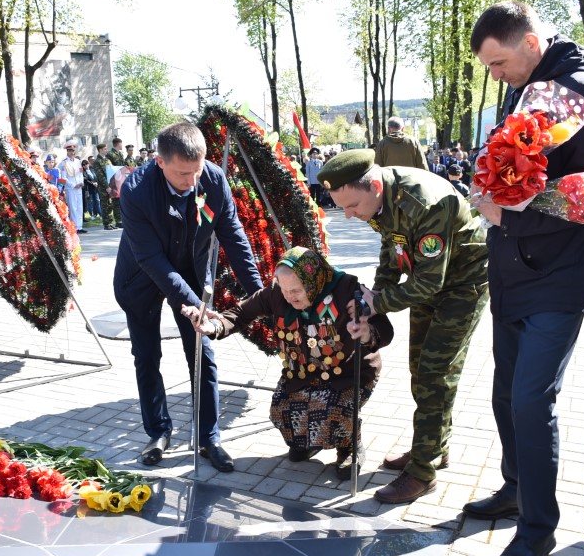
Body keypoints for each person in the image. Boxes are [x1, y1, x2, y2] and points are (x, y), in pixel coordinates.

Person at [465, 1, 584, 556]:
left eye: (500, 62)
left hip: (558, 273)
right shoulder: (526, 86)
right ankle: (515, 489)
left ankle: (537, 529)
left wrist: (508, 214)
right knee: (505, 393)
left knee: (532, 399)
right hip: (513, 268)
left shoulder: (578, 91)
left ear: (531, 43)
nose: (495, 75)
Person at [318, 149, 489, 504]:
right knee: (419, 369)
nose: (348, 215)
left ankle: (423, 472)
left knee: (434, 374)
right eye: (342, 208)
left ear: (374, 186)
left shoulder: (424, 204)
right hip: (426, 282)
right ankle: (433, 446)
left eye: (352, 206)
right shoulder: (379, 202)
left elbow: (430, 282)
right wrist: (372, 299)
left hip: (462, 287)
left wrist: (379, 302)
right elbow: (391, 254)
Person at [113, 122, 263, 473]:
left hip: (192, 275)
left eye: (197, 170)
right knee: (147, 356)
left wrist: (258, 291)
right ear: (160, 162)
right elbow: (151, 259)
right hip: (142, 279)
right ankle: (158, 432)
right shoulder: (136, 191)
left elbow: (233, 235)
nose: (192, 180)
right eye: (183, 173)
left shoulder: (212, 179)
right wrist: (194, 304)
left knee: (202, 355)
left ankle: (209, 437)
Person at [182, 247, 394, 480]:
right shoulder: (276, 293)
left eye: (296, 290)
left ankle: (350, 446)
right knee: (281, 411)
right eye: (284, 290)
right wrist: (213, 326)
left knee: (335, 410)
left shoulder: (347, 290)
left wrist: (367, 333)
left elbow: (385, 329)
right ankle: (308, 442)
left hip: (348, 374)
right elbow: (241, 314)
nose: (289, 297)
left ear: (312, 282)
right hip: (304, 372)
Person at [58, 144, 86, 233]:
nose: (72, 152)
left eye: (73, 151)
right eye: (70, 151)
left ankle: (80, 226)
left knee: (79, 207)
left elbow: (80, 173)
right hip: (71, 188)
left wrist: (81, 182)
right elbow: (63, 178)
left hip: (79, 187)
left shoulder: (78, 161)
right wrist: (73, 185)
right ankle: (74, 227)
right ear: (67, 151)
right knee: (73, 207)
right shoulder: (64, 163)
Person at [93, 143, 121, 230]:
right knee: (105, 205)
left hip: (111, 185)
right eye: (105, 149)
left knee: (110, 205)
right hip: (103, 187)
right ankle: (106, 224)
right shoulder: (97, 161)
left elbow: (112, 171)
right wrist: (107, 186)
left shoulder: (108, 160)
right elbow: (100, 176)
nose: (106, 150)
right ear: (100, 150)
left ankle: (110, 222)